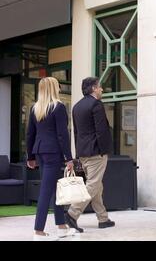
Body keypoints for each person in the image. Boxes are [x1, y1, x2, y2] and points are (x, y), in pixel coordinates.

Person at [26, 77, 77, 241]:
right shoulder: (58, 107)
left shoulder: (35, 108)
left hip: (40, 151)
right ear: (54, 88)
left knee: (55, 189)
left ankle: (61, 227)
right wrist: (69, 158)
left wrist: (31, 156)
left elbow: (30, 135)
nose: (60, 87)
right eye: (58, 85)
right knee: (46, 191)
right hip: (53, 152)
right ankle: (38, 232)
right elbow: (63, 135)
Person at [65, 77, 115, 232]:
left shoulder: (77, 107)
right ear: (93, 88)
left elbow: (77, 133)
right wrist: (104, 150)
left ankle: (103, 218)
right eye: (100, 87)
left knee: (96, 186)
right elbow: (102, 131)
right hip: (96, 152)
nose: (101, 90)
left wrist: (77, 153)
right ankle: (72, 214)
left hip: (83, 152)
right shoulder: (96, 105)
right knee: (93, 185)